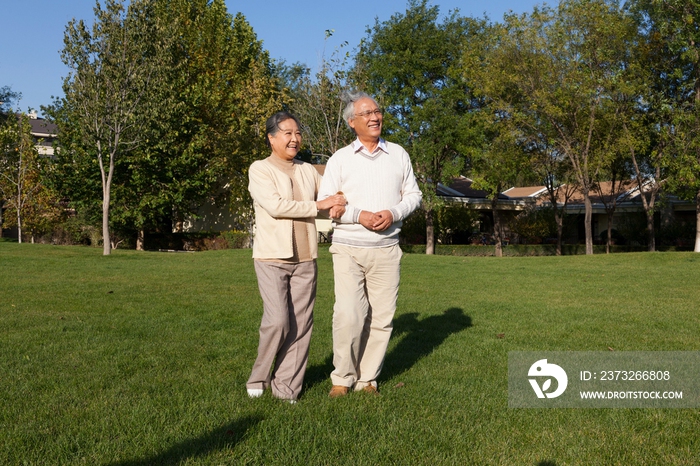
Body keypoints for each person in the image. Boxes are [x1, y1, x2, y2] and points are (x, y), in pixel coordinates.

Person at [318, 91, 422, 397]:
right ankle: (342, 378)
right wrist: (358, 215)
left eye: (377, 111)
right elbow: (327, 205)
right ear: (352, 122)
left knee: (381, 317)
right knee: (349, 314)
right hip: (348, 247)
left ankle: (367, 380)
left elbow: (413, 196)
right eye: (366, 114)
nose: (375, 117)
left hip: (387, 249)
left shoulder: (399, 154)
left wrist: (393, 212)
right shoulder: (339, 159)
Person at [246, 111, 346, 403]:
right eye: (287, 133)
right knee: (278, 321)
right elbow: (277, 206)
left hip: (306, 259)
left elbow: (328, 196)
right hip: (271, 257)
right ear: (272, 137)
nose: (294, 138)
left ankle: (286, 387)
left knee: (301, 324)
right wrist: (320, 204)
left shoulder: (306, 170)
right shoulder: (260, 169)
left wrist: (337, 202)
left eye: (298, 133)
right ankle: (259, 376)